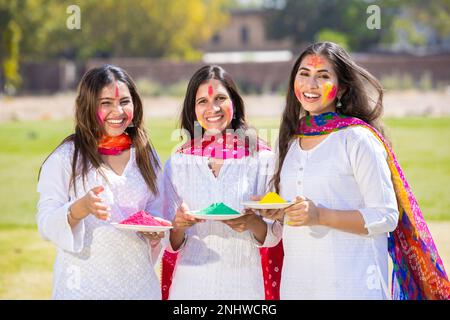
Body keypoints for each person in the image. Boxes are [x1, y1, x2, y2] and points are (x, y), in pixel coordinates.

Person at [262, 41, 450, 299]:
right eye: (304, 74)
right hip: (299, 287)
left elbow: (385, 215)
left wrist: (319, 215)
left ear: (342, 88)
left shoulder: (358, 139)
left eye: (323, 76)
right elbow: (288, 224)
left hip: (354, 285)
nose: (310, 84)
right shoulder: (288, 142)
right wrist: (272, 214)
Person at [36, 64, 169, 299]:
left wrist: (155, 231)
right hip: (83, 288)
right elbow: (45, 223)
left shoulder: (146, 154)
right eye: (105, 103)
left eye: (124, 102)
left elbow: (157, 211)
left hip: (138, 287)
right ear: (88, 106)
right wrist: (80, 208)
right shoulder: (67, 157)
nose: (117, 111)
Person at [160, 65, 283, 300]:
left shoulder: (262, 158)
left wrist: (251, 222)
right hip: (190, 288)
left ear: (234, 103)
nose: (212, 109)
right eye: (202, 101)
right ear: (192, 108)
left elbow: (274, 235)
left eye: (220, 98)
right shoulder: (177, 163)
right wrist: (178, 225)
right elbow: (170, 244)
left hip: (245, 288)